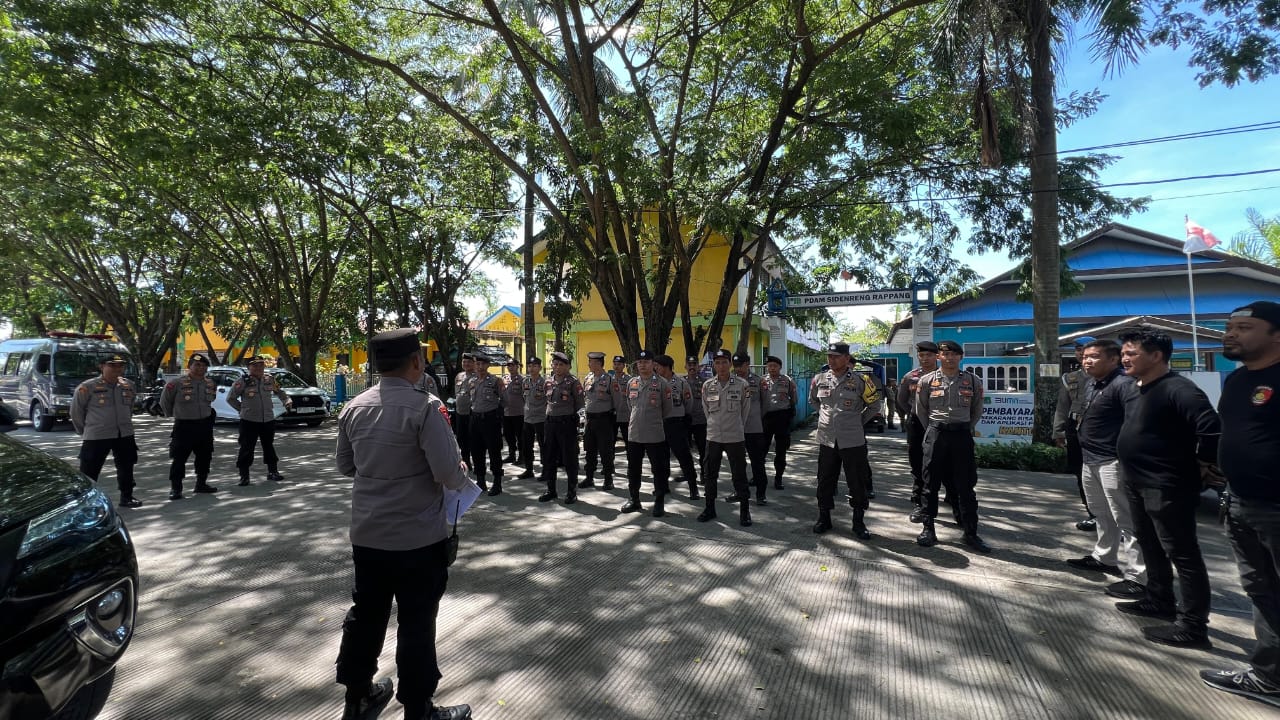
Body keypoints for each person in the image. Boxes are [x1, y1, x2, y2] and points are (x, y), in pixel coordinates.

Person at [334, 328, 472, 720]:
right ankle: (418, 708)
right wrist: (461, 471)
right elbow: (448, 474)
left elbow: (345, 465)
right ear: (415, 361)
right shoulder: (426, 407)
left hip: (368, 535)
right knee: (416, 621)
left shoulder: (354, 407)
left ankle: (358, 696)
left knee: (366, 614)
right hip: (417, 539)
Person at [1114, 329, 1220, 648]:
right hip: (1136, 481)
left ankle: (1193, 626)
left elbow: (1211, 428)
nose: (1124, 358)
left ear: (1157, 356)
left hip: (1166, 485)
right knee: (1149, 544)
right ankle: (1159, 600)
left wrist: (1204, 463)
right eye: (1123, 353)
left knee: (1182, 553)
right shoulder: (1135, 388)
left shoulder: (1179, 389)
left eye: (1132, 353)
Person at [1200, 300, 1280, 707]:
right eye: (1229, 327)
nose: (1230, 334)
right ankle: (1269, 677)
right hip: (1240, 502)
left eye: (1245, 327)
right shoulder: (1236, 381)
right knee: (1262, 590)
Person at [1064, 340, 1147, 600]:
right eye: (1085, 357)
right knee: (1101, 513)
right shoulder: (1094, 383)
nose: (1086, 361)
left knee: (1127, 519)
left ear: (1113, 359)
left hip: (1113, 461)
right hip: (1091, 459)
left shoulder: (1124, 385)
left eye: (1094, 357)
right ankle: (1104, 557)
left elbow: (1136, 423)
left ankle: (1139, 577)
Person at [914, 340, 989, 552]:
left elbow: (977, 409)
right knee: (930, 484)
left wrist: (964, 427)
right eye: (945, 354)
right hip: (936, 434)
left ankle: (970, 532)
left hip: (961, 436)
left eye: (954, 354)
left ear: (961, 357)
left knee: (966, 485)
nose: (949, 358)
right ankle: (928, 529)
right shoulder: (927, 380)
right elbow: (921, 410)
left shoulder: (972, 380)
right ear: (939, 356)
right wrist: (934, 429)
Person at [810, 342, 876, 538]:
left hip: (852, 440)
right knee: (825, 480)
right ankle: (824, 518)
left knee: (857, 481)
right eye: (829, 356)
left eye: (836, 356)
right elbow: (814, 401)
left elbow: (874, 406)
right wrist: (825, 418)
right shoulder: (819, 379)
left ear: (847, 359)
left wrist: (856, 421)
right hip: (827, 439)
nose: (832, 360)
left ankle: (858, 521)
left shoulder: (862, 380)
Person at [70, 354, 141, 508]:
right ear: (101, 366)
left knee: (126, 467)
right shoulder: (87, 387)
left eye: (120, 365)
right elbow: (76, 412)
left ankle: (127, 497)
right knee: (89, 470)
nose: (117, 368)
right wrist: (85, 430)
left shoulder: (128, 385)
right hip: (97, 435)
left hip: (124, 433)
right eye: (112, 365)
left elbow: (129, 408)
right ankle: (85, 503)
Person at [899, 341, 959, 524]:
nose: (925, 359)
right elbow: (902, 400)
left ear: (937, 356)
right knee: (918, 463)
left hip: (940, 424)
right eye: (922, 355)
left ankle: (953, 497)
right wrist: (915, 414)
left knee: (948, 462)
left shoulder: (948, 375)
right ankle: (919, 502)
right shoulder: (910, 377)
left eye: (929, 355)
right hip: (917, 424)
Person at [697, 349, 752, 526]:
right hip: (713, 436)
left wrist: (736, 425)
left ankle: (745, 512)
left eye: (724, 362)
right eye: (717, 362)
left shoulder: (742, 385)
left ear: (730, 364)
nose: (721, 366)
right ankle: (709, 508)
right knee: (710, 474)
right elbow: (707, 410)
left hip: (734, 436)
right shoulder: (707, 385)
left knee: (739, 474)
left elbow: (745, 410)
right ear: (714, 364)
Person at [159, 353, 219, 499]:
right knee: (179, 458)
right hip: (184, 426)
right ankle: (176, 488)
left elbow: (211, 400)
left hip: (204, 425)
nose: (200, 368)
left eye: (204, 366)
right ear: (189, 366)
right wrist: (174, 414)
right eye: (197, 365)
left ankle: (201, 484)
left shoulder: (210, 383)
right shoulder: (176, 383)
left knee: (205, 456)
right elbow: (165, 402)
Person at [227, 354, 293, 486]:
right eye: (255, 366)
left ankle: (273, 472)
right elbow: (230, 398)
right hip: (249, 421)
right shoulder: (242, 381)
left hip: (267, 419)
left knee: (269, 446)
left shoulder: (269, 379)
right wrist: (242, 409)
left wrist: (286, 400)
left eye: (261, 365)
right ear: (249, 367)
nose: (258, 368)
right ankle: (244, 476)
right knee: (246, 448)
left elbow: (280, 392)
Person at [621, 350, 673, 516]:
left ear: (653, 364)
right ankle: (634, 499)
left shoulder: (662, 384)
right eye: (640, 362)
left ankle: (659, 502)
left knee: (658, 470)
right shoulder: (632, 383)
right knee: (633, 469)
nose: (642, 365)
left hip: (654, 433)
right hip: (634, 433)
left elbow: (667, 408)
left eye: (646, 362)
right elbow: (630, 405)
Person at [1055, 337, 1099, 532]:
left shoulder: (1112, 377)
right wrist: (1058, 431)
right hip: (1076, 427)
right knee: (1082, 473)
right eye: (1079, 350)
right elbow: (1062, 407)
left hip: (1102, 428)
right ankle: (1093, 514)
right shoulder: (1070, 378)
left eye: (1087, 349)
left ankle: (1118, 521)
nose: (1082, 353)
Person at [538, 352, 585, 504]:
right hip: (550, 424)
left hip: (566, 424)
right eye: (555, 364)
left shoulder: (573, 382)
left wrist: (578, 426)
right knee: (549, 458)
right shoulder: (548, 381)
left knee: (569, 459)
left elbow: (580, 405)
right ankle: (551, 490)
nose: (557, 367)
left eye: (561, 365)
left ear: (568, 366)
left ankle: (571, 492)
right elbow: (546, 401)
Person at [655, 354, 699, 499]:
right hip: (659, 425)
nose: (656, 368)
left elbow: (688, 404)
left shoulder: (681, 383)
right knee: (661, 458)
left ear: (666, 367)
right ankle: (663, 487)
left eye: (658, 366)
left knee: (684, 457)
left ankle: (693, 488)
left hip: (676, 424)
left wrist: (682, 419)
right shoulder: (655, 382)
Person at [581, 351, 624, 490]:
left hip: (604, 420)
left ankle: (608, 479)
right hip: (590, 420)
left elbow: (618, 401)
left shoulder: (610, 380)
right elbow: (586, 398)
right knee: (590, 450)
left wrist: (612, 418)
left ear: (599, 363)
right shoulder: (588, 378)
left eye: (591, 362)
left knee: (606, 451)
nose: (589, 364)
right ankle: (589, 477)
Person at [732, 353, 769, 505]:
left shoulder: (758, 381)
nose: (738, 369)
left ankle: (761, 494)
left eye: (740, 365)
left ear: (747, 364)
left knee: (757, 463)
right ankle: (739, 492)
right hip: (735, 428)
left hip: (754, 428)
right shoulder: (730, 381)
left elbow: (765, 404)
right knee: (737, 464)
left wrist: (756, 418)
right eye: (735, 366)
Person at [468, 354, 505, 495]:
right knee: (476, 451)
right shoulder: (472, 381)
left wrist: (497, 414)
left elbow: (505, 400)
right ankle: (481, 481)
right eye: (478, 364)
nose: (480, 367)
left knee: (494, 451)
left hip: (490, 420)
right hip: (475, 419)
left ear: (488, 365)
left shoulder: (496, 381)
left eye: (483, 364)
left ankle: (497, 482)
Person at [760, 356, 797, 490]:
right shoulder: (762, 381)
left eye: (774, 366)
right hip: (767, 417)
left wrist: (789, 414)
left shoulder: (787, 381)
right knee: (761, 449)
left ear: (780, 367)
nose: (772, 368)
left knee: (781, 450)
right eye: (769, 366)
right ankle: (759, 476)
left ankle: (778, 478)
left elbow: (794, 399)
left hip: (782, 417)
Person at [517, 356, 546, 480]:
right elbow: (524, 397)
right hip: (528, 418)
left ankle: (546, 470)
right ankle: (529, 469)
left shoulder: (545, 383)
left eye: (534, 366)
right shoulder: (525, 382)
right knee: (527, 446)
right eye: (529, 366)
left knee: (543, 445)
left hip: (541, 418)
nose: (532, 368)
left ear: (540, 368)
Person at [451, 353, 476, 469]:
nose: (466, 364)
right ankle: (466, 461)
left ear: (474, 363)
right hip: (460, 412)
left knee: (472, 438)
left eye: (469, 362)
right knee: (461, 437)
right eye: (464, 362)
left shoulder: (477, 376)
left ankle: (476, 461)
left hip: (472, 412)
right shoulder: (459, 376)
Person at [500, 359, 525, 464]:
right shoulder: (504, 379)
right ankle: (512, 455)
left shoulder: (522, 380)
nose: (510, 367)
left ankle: (522, 456)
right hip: (506, 412)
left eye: (513, 365)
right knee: (508, 435)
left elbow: (526, 396)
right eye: (509, 366)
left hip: (519, 413)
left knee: (520, 436)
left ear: (517, 366)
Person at [685, 356, 708, 459]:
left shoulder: (705, 382)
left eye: (694, 365)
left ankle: (704, 469)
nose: (692, 367)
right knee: (684, 450)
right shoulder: (681, 382)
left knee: (703, 449)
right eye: (689, 365)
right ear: (685, 366)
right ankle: (688, 469)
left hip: (700, 420)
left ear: (698, 366)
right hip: (685, 420)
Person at [612, 355, 632, 443]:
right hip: (612, 414)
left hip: (625, 414)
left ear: (624, 366)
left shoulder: (629, 380)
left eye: (619, 364)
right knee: (611, 440)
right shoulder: (609, 379)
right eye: (615, 364)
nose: (616, 366)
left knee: (628, 439)